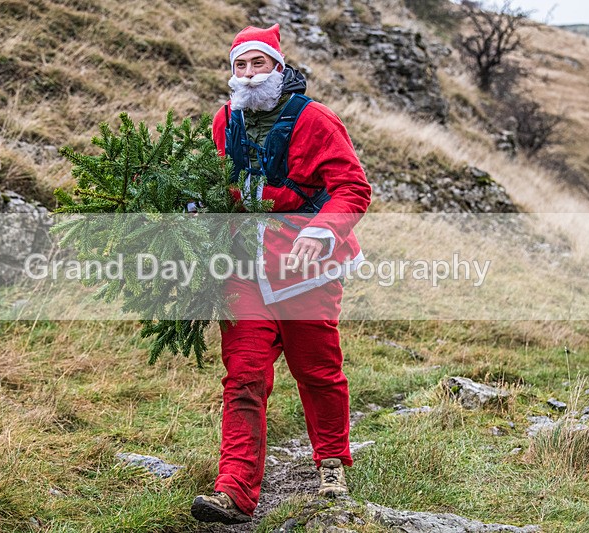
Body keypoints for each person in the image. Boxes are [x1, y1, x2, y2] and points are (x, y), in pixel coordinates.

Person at [190, 24, 372, 525]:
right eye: (239, 66)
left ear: (278, 66)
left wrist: (321, 232)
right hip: (243, 270)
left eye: (258, 64)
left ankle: (331, 462)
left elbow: (352, 188)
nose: (248, 76)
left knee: (317, 372)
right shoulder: (223, 121)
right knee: (244, 378)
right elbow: (213, 186)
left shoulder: (316, 121)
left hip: (306, 271)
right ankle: (234, 491)